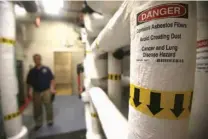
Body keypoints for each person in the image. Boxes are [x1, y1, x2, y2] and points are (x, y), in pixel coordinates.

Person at [26, 54, 56, 130]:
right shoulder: (32, 71)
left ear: (40, 59)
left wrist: (52, 89)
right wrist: (28, 91)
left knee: (48, 106)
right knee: (37, 108)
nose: (37, 60)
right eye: (35, 59)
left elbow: (52, 80)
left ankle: (50, 120)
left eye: (38, 59)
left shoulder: (46, 69)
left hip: (46, 90)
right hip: (36, 92)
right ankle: (38, 123)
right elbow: (29, 83)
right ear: (34, 60)